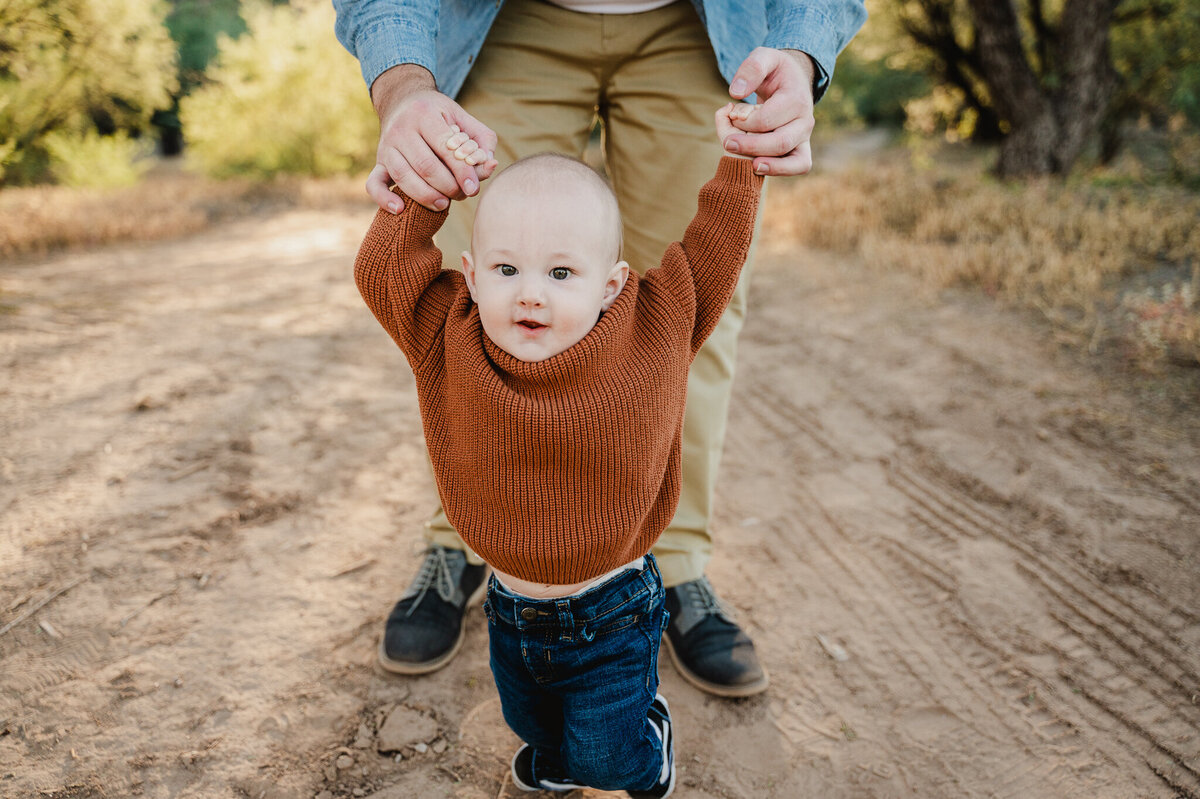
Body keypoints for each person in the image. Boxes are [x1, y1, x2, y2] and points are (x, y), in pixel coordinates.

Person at [334, 0, 867, 697]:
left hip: (704, 31)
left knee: (686, 317)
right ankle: (463, 543)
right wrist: (405, 97)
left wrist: (799, 53)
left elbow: (702, 266)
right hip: (504, 23)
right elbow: (408, 280)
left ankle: (669, 561)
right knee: (486, 293)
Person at [352, 103, 764, 796]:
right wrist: (422, 191)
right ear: (474, 275)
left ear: (610, 285)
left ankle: (645, 742)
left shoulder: (652, 329)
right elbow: (381, 272)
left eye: (562, 274)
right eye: (508, 269)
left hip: (614, 608)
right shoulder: (447, 338)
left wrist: (745, 161)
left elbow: (715, 244)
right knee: (534, 723)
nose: (531, 295)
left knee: (607, 756)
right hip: (509, 602)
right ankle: (553, 757)